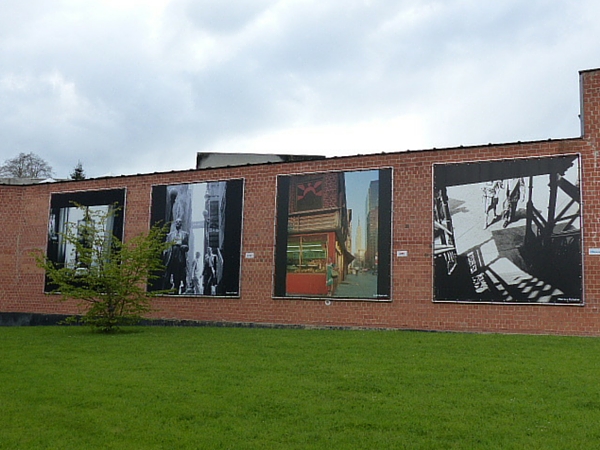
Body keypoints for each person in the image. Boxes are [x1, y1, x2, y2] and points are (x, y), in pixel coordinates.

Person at [163, 218, 189, 294]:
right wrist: (165, 253)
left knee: (177, 273)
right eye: (176, 222)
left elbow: (187, 247)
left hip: (180, 253)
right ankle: (166, 289)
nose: (178, 223)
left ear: (181, 224)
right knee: (168, 272)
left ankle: (176, 289)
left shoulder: (185, 234)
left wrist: (183, 247)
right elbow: (166, 245)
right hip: (171, 253)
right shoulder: (170, 235)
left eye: (179, 222)